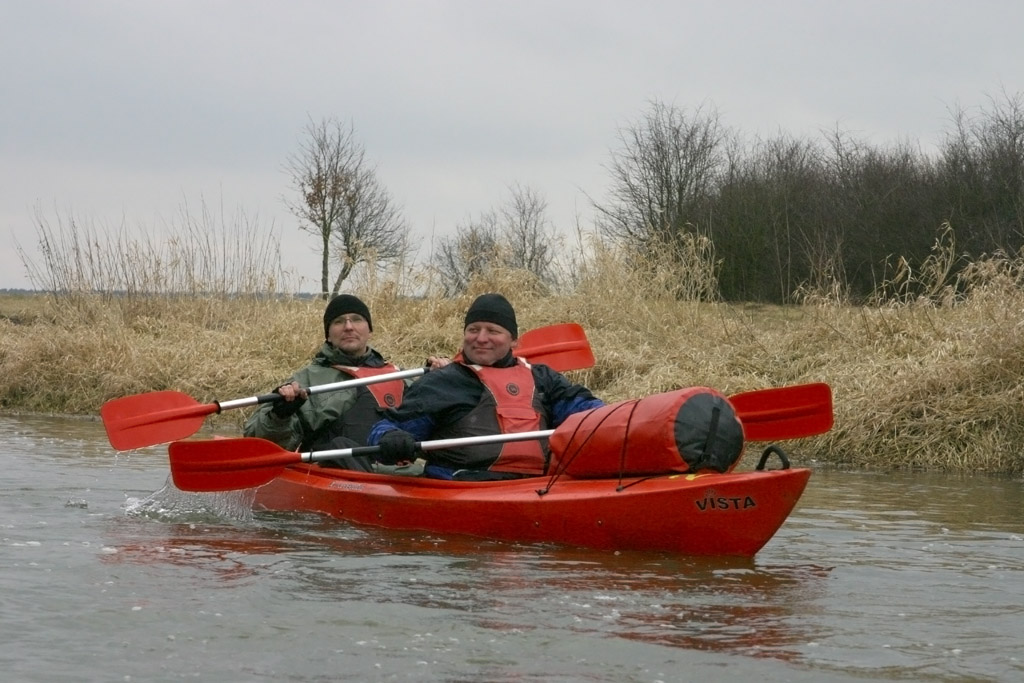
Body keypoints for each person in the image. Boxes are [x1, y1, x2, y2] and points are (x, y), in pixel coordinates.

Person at [366, 293, 605, 480]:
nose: (481, 338)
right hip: (462, 487)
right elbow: (388, 427)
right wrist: (390, 437)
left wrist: (612, 417)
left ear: (514, 341)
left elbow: (587, 411)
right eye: (473, 330)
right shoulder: (443, 382)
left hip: (536, 486)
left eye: (493, 331)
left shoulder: (542, 378)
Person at [243, 293, 448, 470]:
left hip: (401, 473)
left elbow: (441, 425)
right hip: (337, 472)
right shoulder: (306, 380)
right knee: (340, 445)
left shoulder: (400, 376)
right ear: (328, 335)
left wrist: (441, 381)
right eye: (339, 321)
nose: (349, 327)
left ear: (369, 330)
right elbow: (259, 443)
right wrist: (280, 415)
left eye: (356, 319)